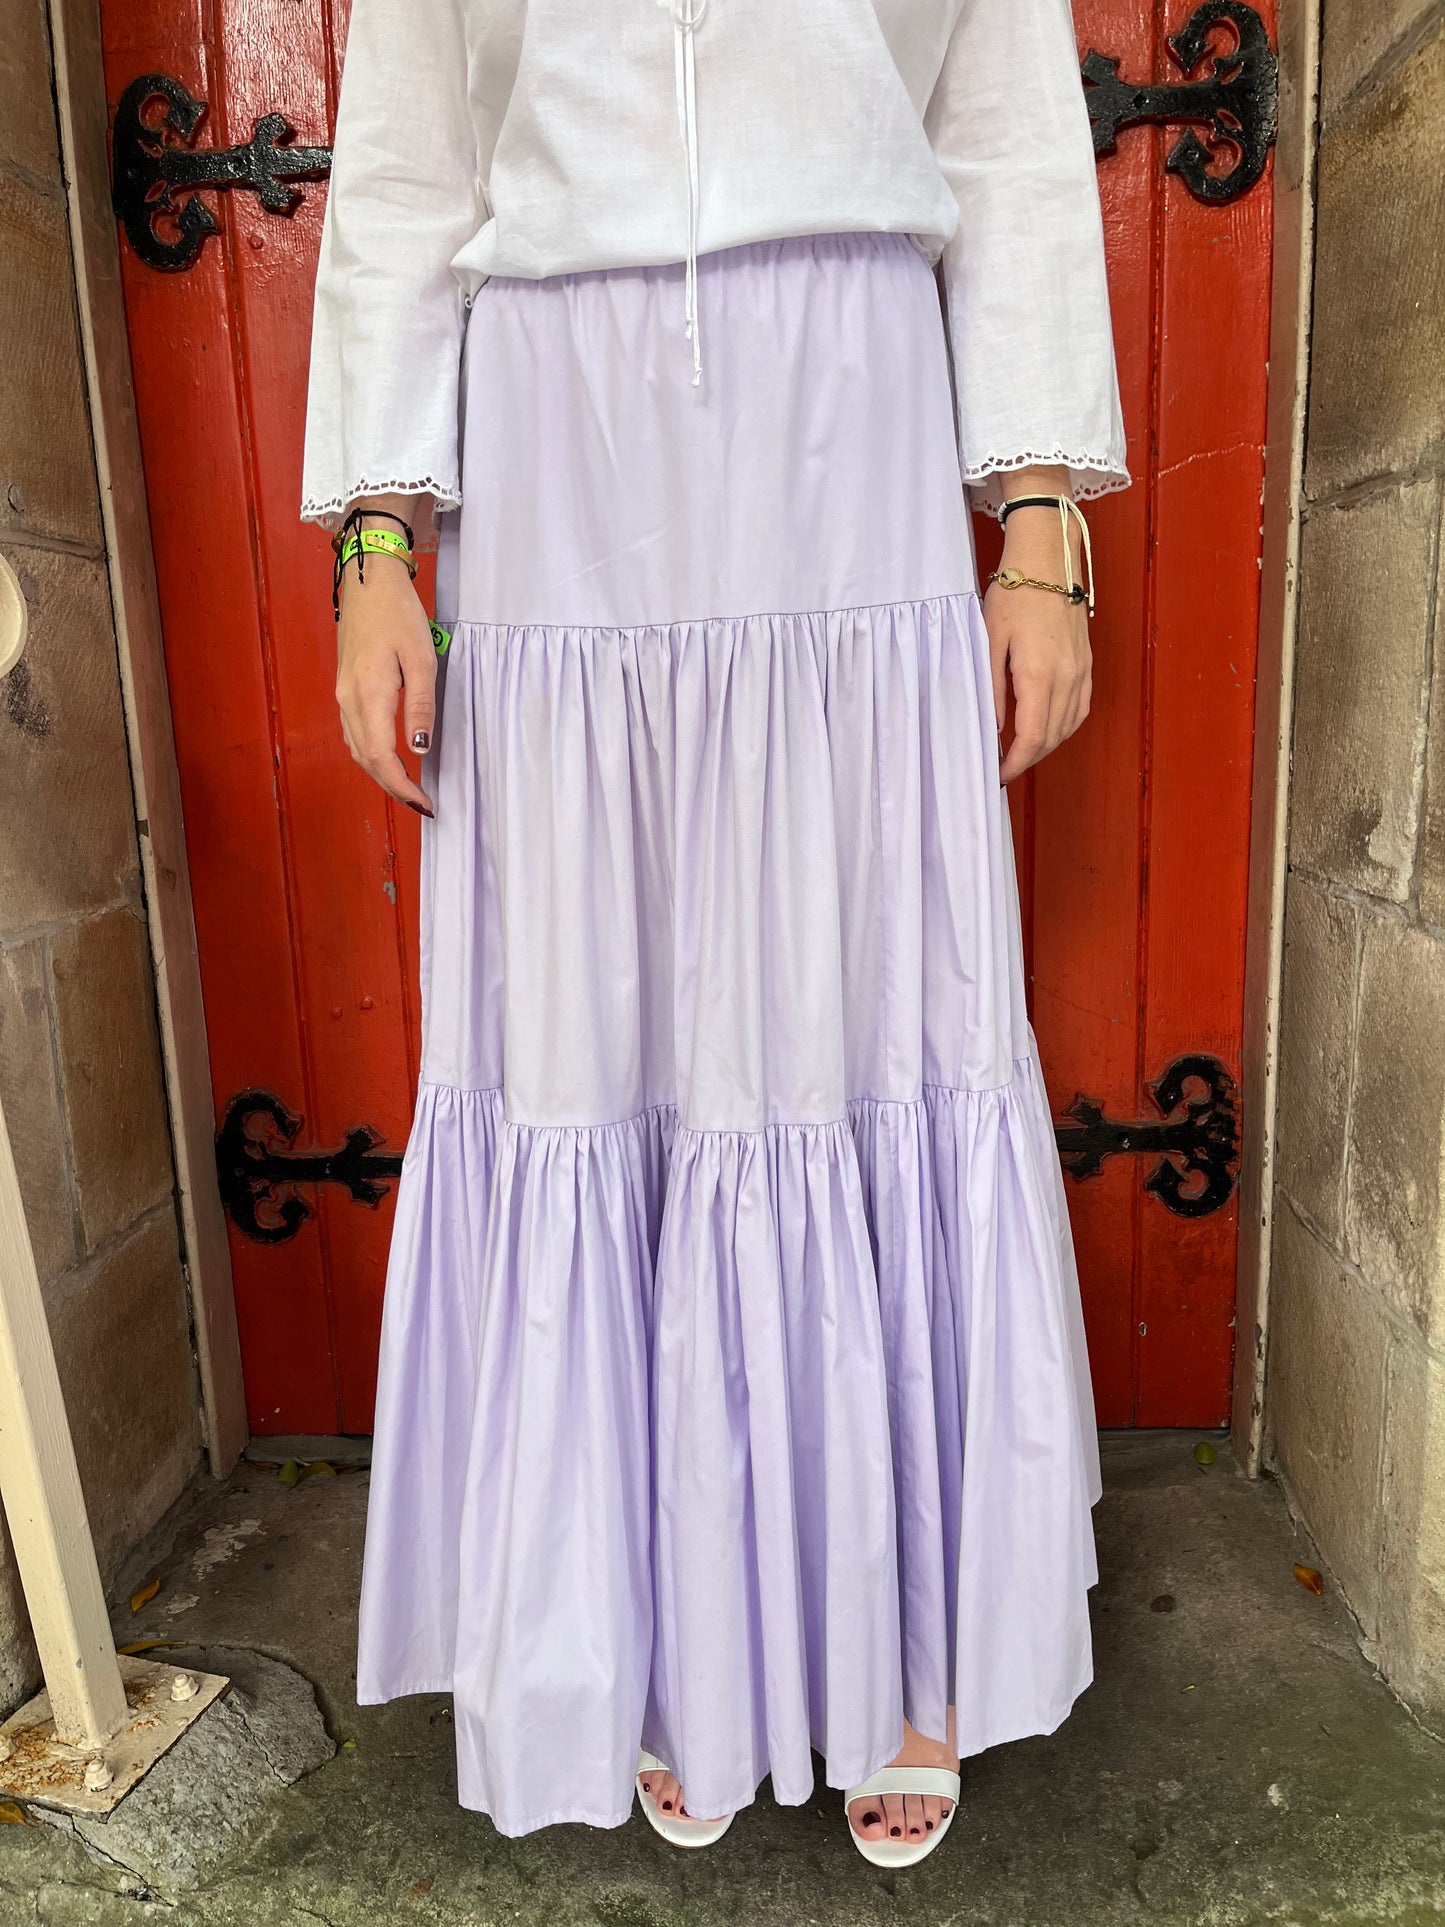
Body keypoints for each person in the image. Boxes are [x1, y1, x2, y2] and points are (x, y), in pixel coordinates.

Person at [301, 0, 1128, 1869]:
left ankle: (902, 1635)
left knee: (859, 1018)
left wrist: (1039, 531)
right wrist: (375, 551)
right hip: (556, 434)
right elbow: (411, 172)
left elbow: (1003, 134)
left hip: (848, 410)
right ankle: (676, 1624)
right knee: (608, 1034)